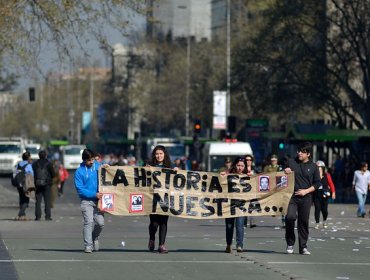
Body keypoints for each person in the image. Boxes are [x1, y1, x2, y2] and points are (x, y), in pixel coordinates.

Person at [284, 142, 321, 255]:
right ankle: (290, 243)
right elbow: (281, 175)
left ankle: (303, 247)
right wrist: (285, 171)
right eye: (298, 151)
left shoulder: (314, 166)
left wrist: (306, 191)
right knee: (289, 217)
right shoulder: (291, 162)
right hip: (292, 197)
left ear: (308, 154)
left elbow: (318, 183)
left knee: (303, 222)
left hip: (306, 198)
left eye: (302, 152)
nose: (299, 153)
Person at [74, 149, 107, 253]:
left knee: (100, 223)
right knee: (88, 222)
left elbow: (109, 173)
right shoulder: (79, 172)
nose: (92, 162)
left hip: (99, 201)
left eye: (93, 159)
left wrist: (108, 168)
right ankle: (88, 245)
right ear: (84, 160)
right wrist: (94, 194)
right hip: (86, 201)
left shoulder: (98, 166)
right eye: (89, 160)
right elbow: (80, 190)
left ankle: (94, 237)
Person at [147, 145, 178, 254]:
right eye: (157, 154)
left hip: (166, 198)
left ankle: (161, 245)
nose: (159, 156)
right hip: (153, 198)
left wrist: (176, 171)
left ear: (164, 155)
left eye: (161, 153)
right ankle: (152, 238)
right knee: (154, 223)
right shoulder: (149, 165)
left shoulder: (170, 166)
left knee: (163, 222)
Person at [222, 157, 247, 253]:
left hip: (241, 205)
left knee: (240, 225)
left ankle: (239, 245)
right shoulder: (229, 174)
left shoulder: (249, 176)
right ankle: (228, 244)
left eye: (242, 166)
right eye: (238, 165)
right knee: (229, 226)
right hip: (229, 204)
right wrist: (222, 176)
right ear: (235, 165)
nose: (240, 168)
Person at [264, 154, 285, 228]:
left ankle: (284, 221)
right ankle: (273, 210)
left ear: (277, 161)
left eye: (275, 160)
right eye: (272, 160)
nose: (273, 162)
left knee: (282, 203)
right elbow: (264, 176)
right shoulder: (267, 167)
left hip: (279, 187)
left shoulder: (280, 167)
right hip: (270, 187)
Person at [32, 150, 55, 221]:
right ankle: (47, 216)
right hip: (47, 184)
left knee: (38, 201)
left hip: (38, 184)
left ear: (38, 156)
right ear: (46, 156)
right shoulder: (49, 163)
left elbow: (33, 173)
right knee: (47, 201)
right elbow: (53, 174)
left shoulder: (35, 163)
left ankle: (38, 216)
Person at [314, 160, 336, 229]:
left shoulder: (327, 175)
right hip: (316, 194)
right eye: (317, 167)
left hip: (325, 194)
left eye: (320, 167)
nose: (318, 169)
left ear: (323, 168)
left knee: (324, 210)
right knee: (317, 209)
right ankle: (317, 223)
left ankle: (324, 220)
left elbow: (331, 184)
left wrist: (333, 193)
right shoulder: (314, 176)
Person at [14, 151, 33, 220]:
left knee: (21, 198)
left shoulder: (18, 164)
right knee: (26, 199)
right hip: (26, 184)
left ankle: (23, 216)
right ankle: (20, 214)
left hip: (18, 183)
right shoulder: (28, 165)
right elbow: (31, 174)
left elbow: (15, 172)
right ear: (28, 157)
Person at [244, 154, 257, 228]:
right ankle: (244, 222)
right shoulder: (242, 169)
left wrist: (253, 175)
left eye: (249, 160)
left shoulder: (255, 169)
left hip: (253, 190)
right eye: (246, 160)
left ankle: (252, 222)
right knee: (244, 206)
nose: (248, 161)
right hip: (244, 190)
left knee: (252, 205)